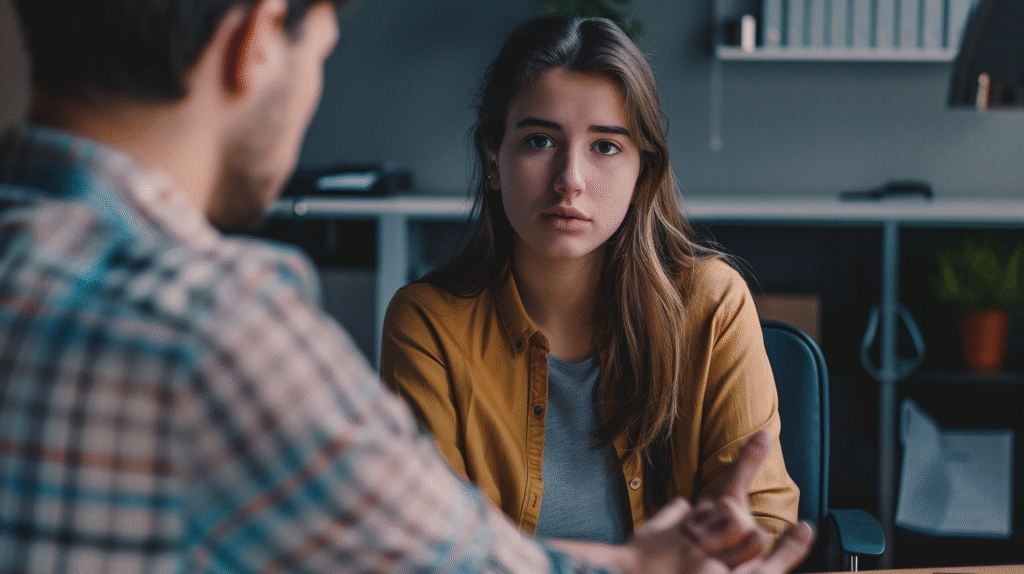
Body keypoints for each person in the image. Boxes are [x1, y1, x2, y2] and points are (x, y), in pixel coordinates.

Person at [0, 1, 813, 573]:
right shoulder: (218, 323)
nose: (571, 178)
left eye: (607, 148)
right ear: (254, 41)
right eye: (318, 50)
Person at [380, 14, 799, 550]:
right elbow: (429, 544)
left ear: (641, 171)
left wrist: (738, 542)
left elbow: (764, 518)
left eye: (605, 146)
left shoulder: (713, 304)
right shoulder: (427, 323)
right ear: (492, 159)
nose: (569, 181)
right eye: (538, 141)